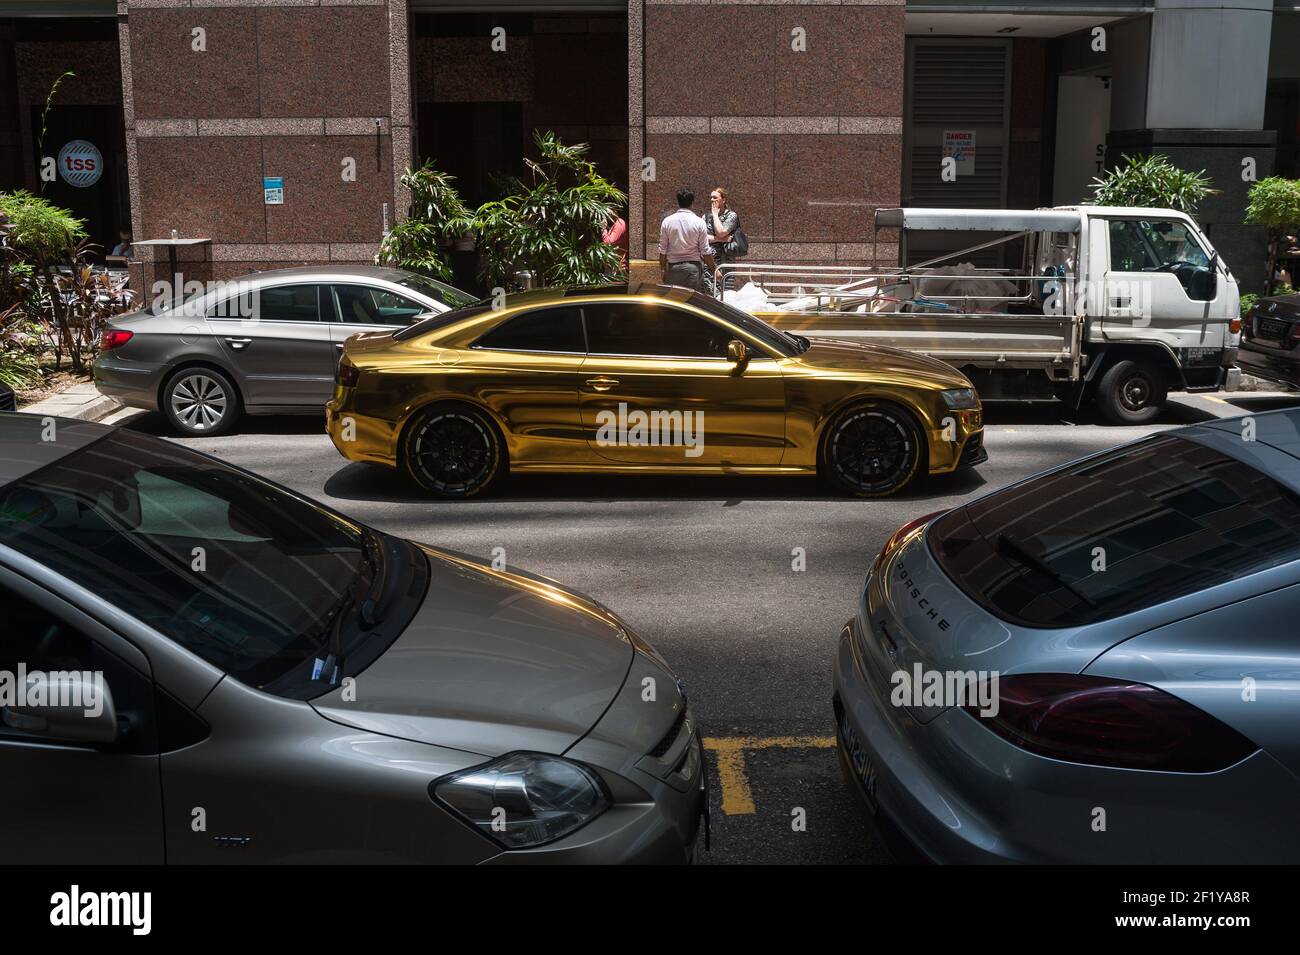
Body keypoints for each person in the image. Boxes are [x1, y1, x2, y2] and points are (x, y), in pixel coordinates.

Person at [658, 186, 714, 291]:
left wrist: (663, 270)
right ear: (692, 202)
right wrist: (715, 269)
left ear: (678, 202)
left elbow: (662, 250)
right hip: (693, 269)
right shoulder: (699, 222)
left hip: (673, 268)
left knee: (673, 301)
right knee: (691, 301)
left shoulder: (667, 221)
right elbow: (705, 251)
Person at [702, 186, 740, 293]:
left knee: (725, 295)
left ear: (723, 200)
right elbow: (702, 238)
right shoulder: (705, 217)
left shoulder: (731, 216)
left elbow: (721, 232)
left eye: (715, 197)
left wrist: (715, 214)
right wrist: (720, 240)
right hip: (709, 263)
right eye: (711, 198)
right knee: (709, 294)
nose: (712, 200)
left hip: (725, 264)